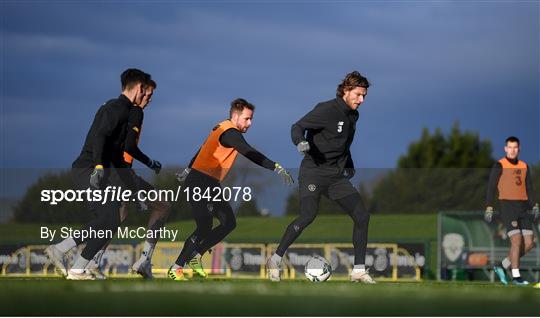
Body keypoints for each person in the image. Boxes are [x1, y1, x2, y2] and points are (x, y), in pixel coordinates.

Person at [267, 71, 375, 283]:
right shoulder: (327, 109)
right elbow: (297, 127)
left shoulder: (354, 115)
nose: (361, 100)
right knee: (308, 215)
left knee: (362, 216)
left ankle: (359, 271)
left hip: (335, 176)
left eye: (364, 96)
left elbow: (343, 144)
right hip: (313, 172)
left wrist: (349, 165)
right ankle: (276, 259)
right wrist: (300, 142)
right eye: (358, 95)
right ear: (346, 90)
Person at [168, 98, 294, 281]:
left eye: (251, 119)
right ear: (235, 116)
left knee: (228, 222)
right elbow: (248, 151)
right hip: (199, 181)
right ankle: (176, 267)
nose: (250, 123)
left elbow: (203, 147)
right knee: (204, 226)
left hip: (208, 182)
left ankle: (196, 255)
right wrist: (275, 166)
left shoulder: (221, 127)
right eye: (247, 119)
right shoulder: (230, 133)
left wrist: (187, 168)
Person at [44, 68, 151, 280]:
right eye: (145, 90)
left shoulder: (123, 110)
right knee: (108, 219)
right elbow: (100, 137)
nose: (146, 96)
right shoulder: (117, 108)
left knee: (109, 220)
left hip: (99, 170)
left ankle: (70, 262)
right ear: (138, 87)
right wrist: (99, 167)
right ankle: (67, 258)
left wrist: (133, 189)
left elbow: (118, 157)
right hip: (89, 169)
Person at [84, 78, 170, 279]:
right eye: (147, 95)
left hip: (114, 170)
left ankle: (90, 261)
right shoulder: (136, 112)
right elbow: (128, 147)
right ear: (139, 91)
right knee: (163, 206)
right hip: (121, 172)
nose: (149, 100)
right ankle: (144, 260)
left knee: (118, 215)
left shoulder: (117, 108)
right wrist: (149, 163)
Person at [485, 136, 538, 285]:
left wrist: (534, 205)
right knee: (517, 241)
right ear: (505, 149)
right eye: (510, 147)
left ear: (519, 149)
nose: (513, 150)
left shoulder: (524, 165)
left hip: (524, 208)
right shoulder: (499, 165)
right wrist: (489, 206)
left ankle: (502, 266)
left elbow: (529, 188)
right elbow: (491, 187)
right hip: (508, 207)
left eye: (515, 147)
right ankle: (516, 277)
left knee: (530, 243)